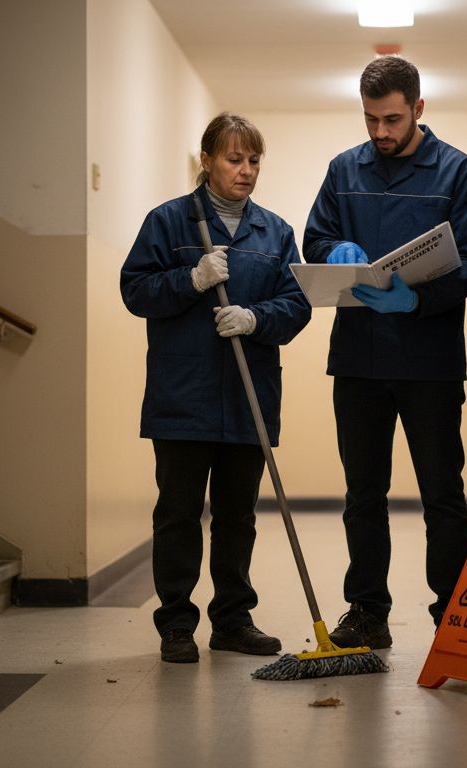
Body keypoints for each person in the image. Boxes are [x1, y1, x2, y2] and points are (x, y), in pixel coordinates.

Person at [303, 56, 467, 649]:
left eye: (391, 119)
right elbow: (316, 237)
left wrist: (417, 300)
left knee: (442, 492)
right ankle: (366, 612)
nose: (380, 133)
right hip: (358, 360)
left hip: (430, 361)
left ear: (418, 109)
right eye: (370, 121)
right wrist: (334, 248)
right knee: (363, 495)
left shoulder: (459, 172)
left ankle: (453, 614)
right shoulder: (342, 170)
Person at [121, 113, 311, 664]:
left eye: (254, 161)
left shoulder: (275, 233)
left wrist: (255, 318)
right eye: (234, 159)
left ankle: (233, 619)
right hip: (183, 397)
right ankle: (177, 624)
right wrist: (190, 280)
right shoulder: (168, 223)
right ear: (207, 161)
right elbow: (136, 291)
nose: (246, 171)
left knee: (238, 516)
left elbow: (295, 305)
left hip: (248, 397)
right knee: (178, 513)